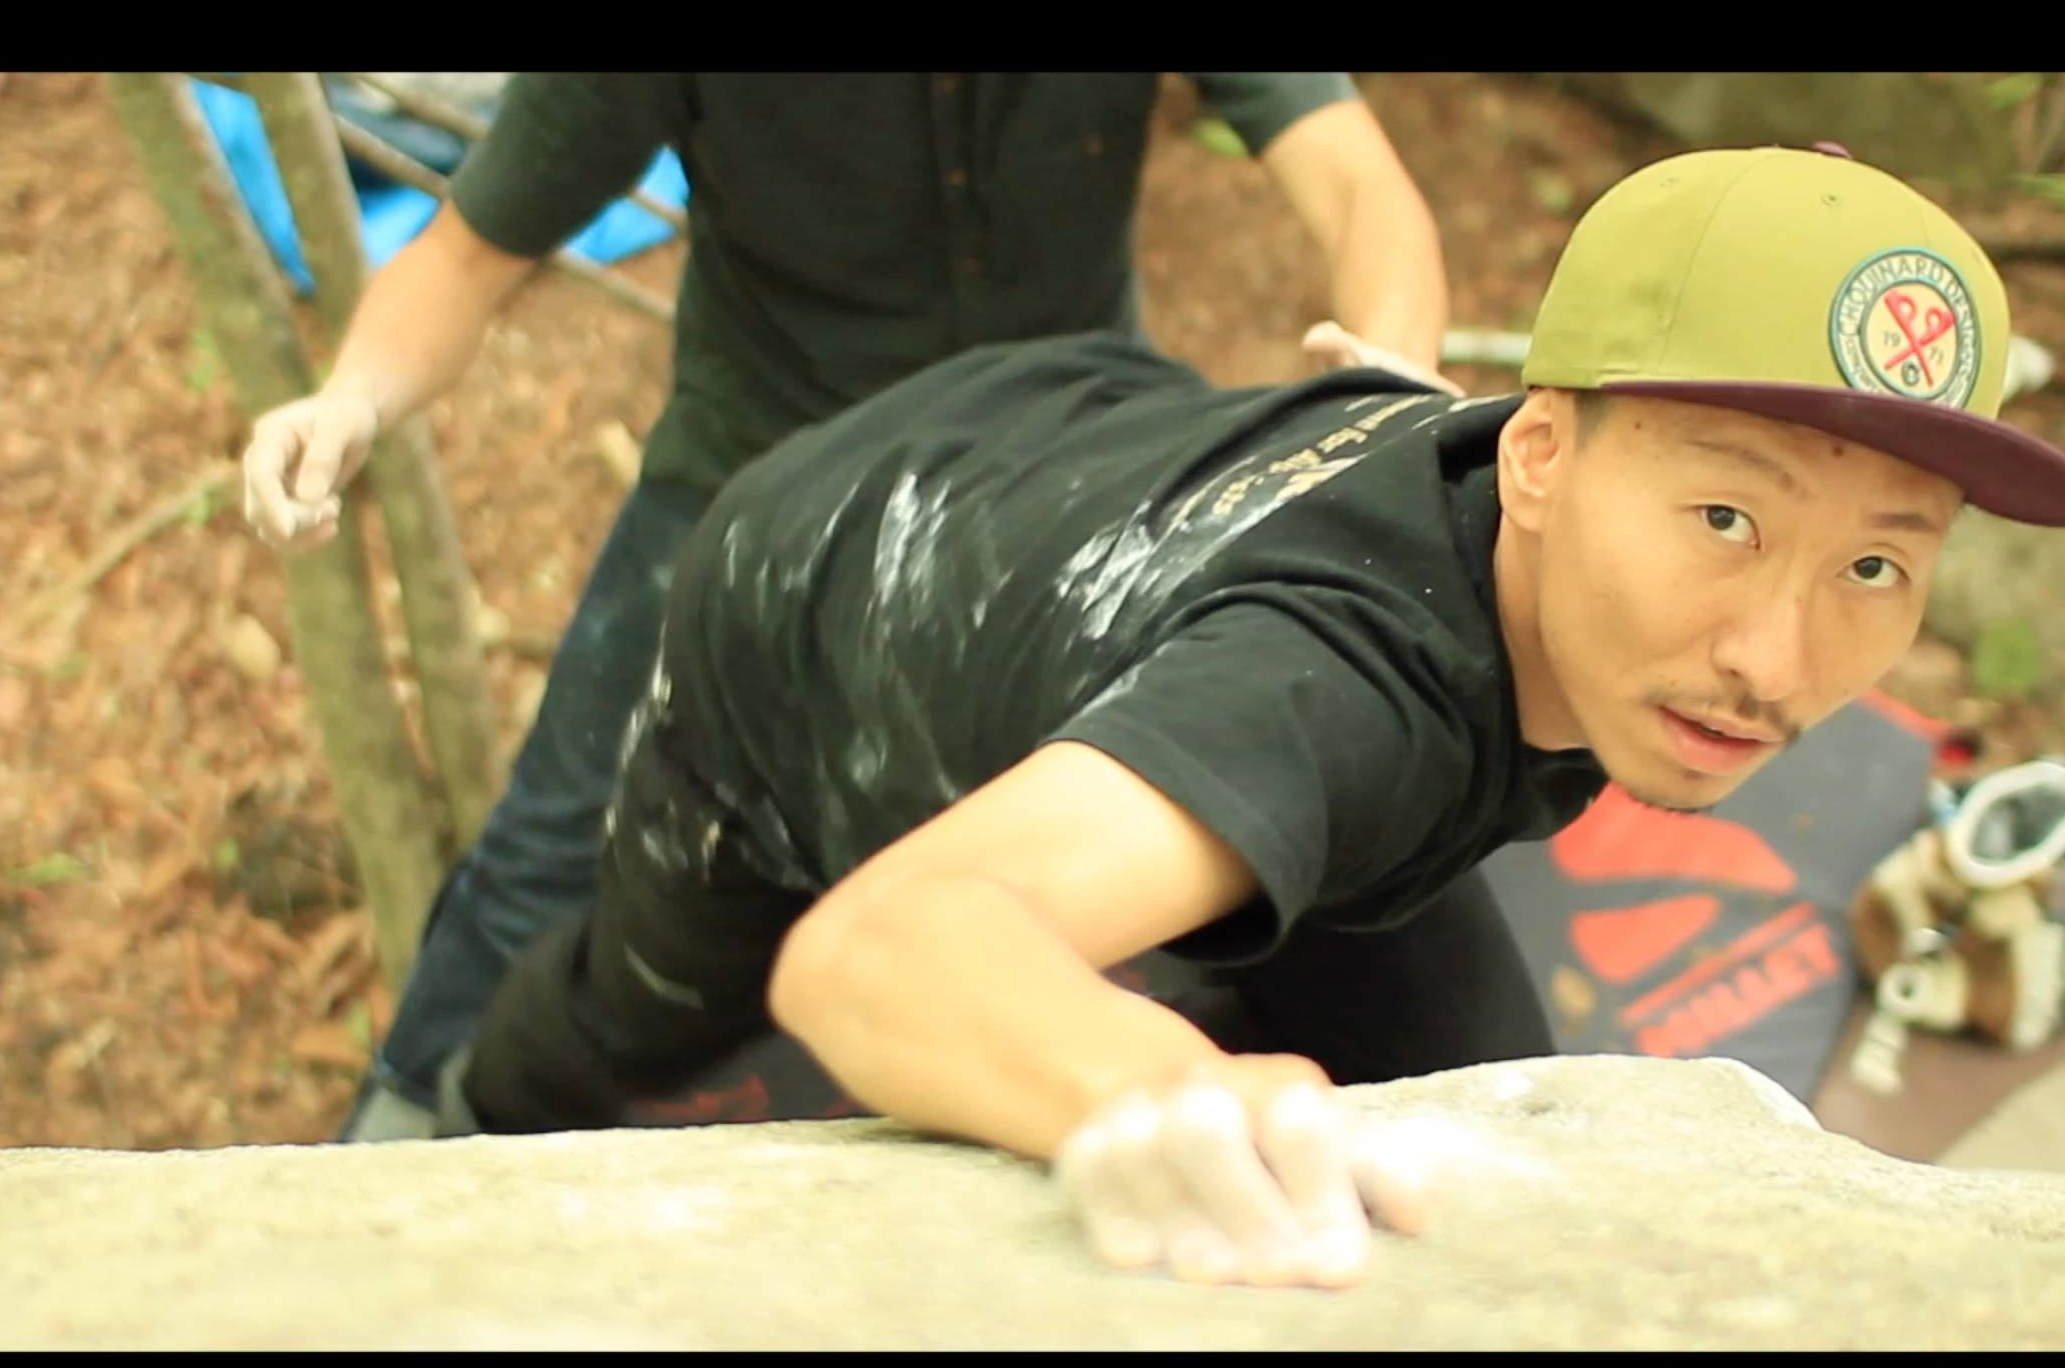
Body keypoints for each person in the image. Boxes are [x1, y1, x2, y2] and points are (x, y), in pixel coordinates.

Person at [437, 143, 2065, 1289]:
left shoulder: (1519, 510)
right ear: (1532, 458)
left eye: (1875, 564)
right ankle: (447, 1121)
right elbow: (876, 953)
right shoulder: (1341, 691)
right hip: (810, 591)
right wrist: (1142, 1075)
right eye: (1727, 519)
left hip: (1091, 443)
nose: (1776, 658)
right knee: (646, 1001)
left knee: (1487, 1141)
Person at [233, 74, 1459, 1141]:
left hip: (1069, 474)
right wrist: (348, 401)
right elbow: (464, 256)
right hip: (752, 491)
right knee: (553, 846)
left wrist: (1389, 378)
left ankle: (1321, 1096)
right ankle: (399, 1138)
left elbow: (1358, 181)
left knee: (1250, 764)